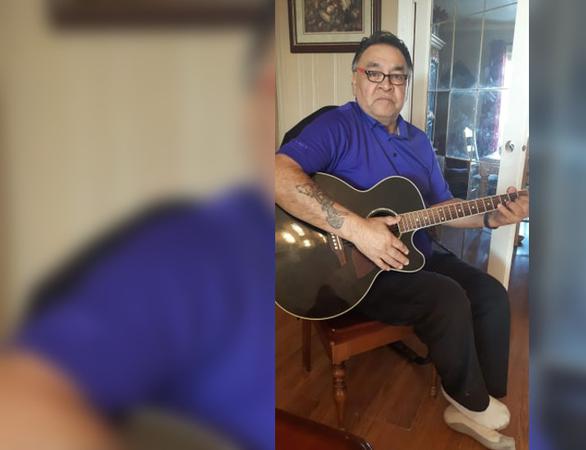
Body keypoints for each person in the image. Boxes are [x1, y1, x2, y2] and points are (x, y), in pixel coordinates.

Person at [0, 6, 277, 450]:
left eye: (394, 78)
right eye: (269, 89)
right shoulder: (195, 250)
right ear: (252, 108)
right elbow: (15, 404)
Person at [275, 31, 529, 434]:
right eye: (374, 73)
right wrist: (359, 229)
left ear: (406, 84)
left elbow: (442, 207)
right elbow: (278, 175)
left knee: (491, 294)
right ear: (355, 78)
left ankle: (480, 397)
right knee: (447, 297)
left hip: (416, 251)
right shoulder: (336, 125)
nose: (385, 84)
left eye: (397, 76)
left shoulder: (419, 141)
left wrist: (490, 219)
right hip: (356, 271)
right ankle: (466, 398)